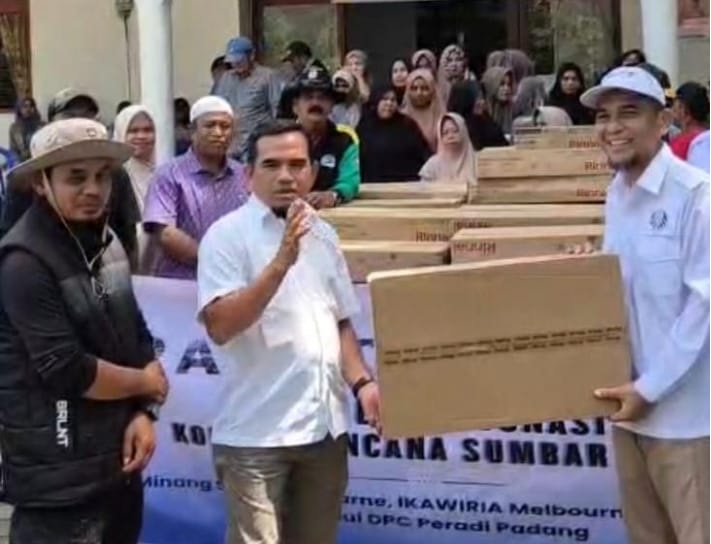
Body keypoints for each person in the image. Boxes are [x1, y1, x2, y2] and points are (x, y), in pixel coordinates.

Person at [197, 119, 381, 544]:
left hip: (323, 432)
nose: (285, 176)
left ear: (313, 173)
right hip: (256, 438)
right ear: (248, 174)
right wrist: (280, 263)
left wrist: (363, 384)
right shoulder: (225, 238)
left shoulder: (324, 234)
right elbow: (220, 326)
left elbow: (338, 320)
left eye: (297, 165)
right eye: (271, 165)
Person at [0, 118, 169, 543]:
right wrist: (145, 383)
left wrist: (144, 411)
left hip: (117, 467)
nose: (93, 189)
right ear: (40, 183)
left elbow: (135, 335)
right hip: (57, 481)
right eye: (76, 178)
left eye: (102, 176)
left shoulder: (108, 242)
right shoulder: (22, 261)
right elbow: (66, 369)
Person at [580, 66, 709, 544]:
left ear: (664, 121)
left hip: (688, 423)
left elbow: (704, 309)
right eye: (603, 116)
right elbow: (624, 292)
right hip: (629, 412)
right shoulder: (616, 195)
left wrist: (648, 388)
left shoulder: (696, 196)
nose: (612, 127)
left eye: (629, 113)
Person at [0, 89, 141, 270]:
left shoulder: (115, 173)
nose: (93, 189)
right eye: (76, 178)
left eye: (88, 116)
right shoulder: (26, 180)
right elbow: (9, 233)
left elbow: (128, 234)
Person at [143, 96, 249, 279]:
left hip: (237, 282)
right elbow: (165, 234)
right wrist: (215, 263)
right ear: (192, 131)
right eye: (210, 125)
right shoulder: (169, 174)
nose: (218, 133)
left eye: (225, 126)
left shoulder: (243, 175)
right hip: (183, 282)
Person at [290, 66, 360, 208]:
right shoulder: (280, 139)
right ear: (295, 106)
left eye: (322, 98)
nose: (315, 103)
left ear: (332, 105)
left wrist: (333, 195)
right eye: (308, 97)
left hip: (333, 216)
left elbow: (350, 182)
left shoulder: (345, 140)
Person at [213, 36, 282, 158]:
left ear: (251, 56)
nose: (236, 65)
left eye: (240, 61)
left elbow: (277, 109)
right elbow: (216, 107)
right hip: (231, 145)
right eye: (233, 61)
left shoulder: (267, 76)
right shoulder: (226, 78)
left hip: (256, 143)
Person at [113, 105, 158, 274]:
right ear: (121, 134)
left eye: (148, 130)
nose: (141, 136)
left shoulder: (165, 173)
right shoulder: (113, 176)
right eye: (133, 131)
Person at [357, 85, 431, 183]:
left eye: (393, 100)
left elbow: (423, 152)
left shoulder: (407, 124)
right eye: (384, 99)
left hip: (404, 184)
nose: (389, 103)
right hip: (372, 183)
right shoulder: (365, 125)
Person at [447, 81, 509, 150]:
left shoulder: (486, 119)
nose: (482, 102)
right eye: (478, 98)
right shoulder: (454, 127)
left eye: (482, 97)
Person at [420, 112, 476, 184]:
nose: (450, 136)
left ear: (464, 132)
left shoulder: (477, 161)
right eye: (445, 133)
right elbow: (424, 188)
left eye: (455, 131)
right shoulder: (432, 165)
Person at [401, 68, 445, 151]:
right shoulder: (400, 118)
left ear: (433, 91)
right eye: (414, 88)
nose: (419, 93)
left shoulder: (443, 118)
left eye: (424, 88)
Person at [670, 81, 709, 161]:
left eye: (675, 106)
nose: (672, 108)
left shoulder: (681, 144)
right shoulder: (707, 139)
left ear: (683, 110)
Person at [481, 66, 515, 135]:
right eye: (502, 84)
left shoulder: (514, 111)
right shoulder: (480, 115)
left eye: (509, 85)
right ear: (491, 85)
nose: (506, 88)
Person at [8, 96, 43, 162]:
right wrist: (18, 161)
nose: (28, 109)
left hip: (38, 159)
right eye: (25, 106)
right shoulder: (14, 128)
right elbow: (13, 149)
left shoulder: (42, 126)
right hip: (21, 162)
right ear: (19, 109)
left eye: (31, 106)